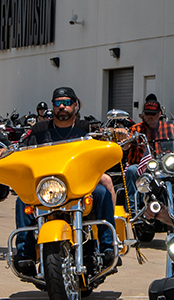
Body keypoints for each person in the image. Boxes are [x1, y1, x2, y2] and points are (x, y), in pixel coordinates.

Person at [12, 87, 116, 274]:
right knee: (22, 200)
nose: (62, 106)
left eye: (67, 102)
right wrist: (6, 151)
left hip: (80, 185)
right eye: (58, 103)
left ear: (75, 105)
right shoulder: (39, 129)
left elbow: (105, 139)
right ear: (52, 106)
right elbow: (21, 148)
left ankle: (108, 247)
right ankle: (24, 254)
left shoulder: (87, 128)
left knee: (101, 193)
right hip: (49, 186)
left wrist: (117, 134)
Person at [123, 95, 174, 217]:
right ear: (143, 115)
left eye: (153, 114)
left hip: (163, 166)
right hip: (142, 168)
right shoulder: (137, 128)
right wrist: (127, 140)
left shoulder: (169, 127)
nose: (150, 117)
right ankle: (134, 211)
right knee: (131, 170)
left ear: (159, 114)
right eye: (148, 113)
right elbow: (125, 144)